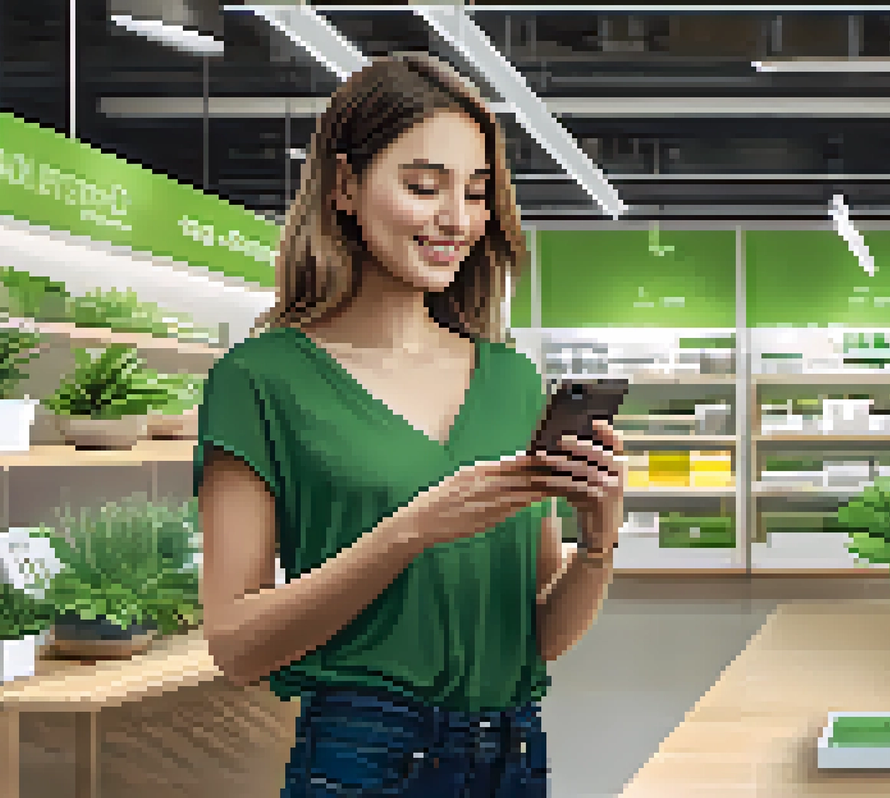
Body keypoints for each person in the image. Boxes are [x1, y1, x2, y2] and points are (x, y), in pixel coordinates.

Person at [193, 53, 623, 798]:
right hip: (363, 755)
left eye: (477, 192)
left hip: (513, 753)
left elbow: (538, 639)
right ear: (345, 187)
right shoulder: (260, 380)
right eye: (424, 186)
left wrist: (599, 542)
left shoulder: (511, 380)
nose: (456, 220)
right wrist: (407, 534)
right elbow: (236, 646)